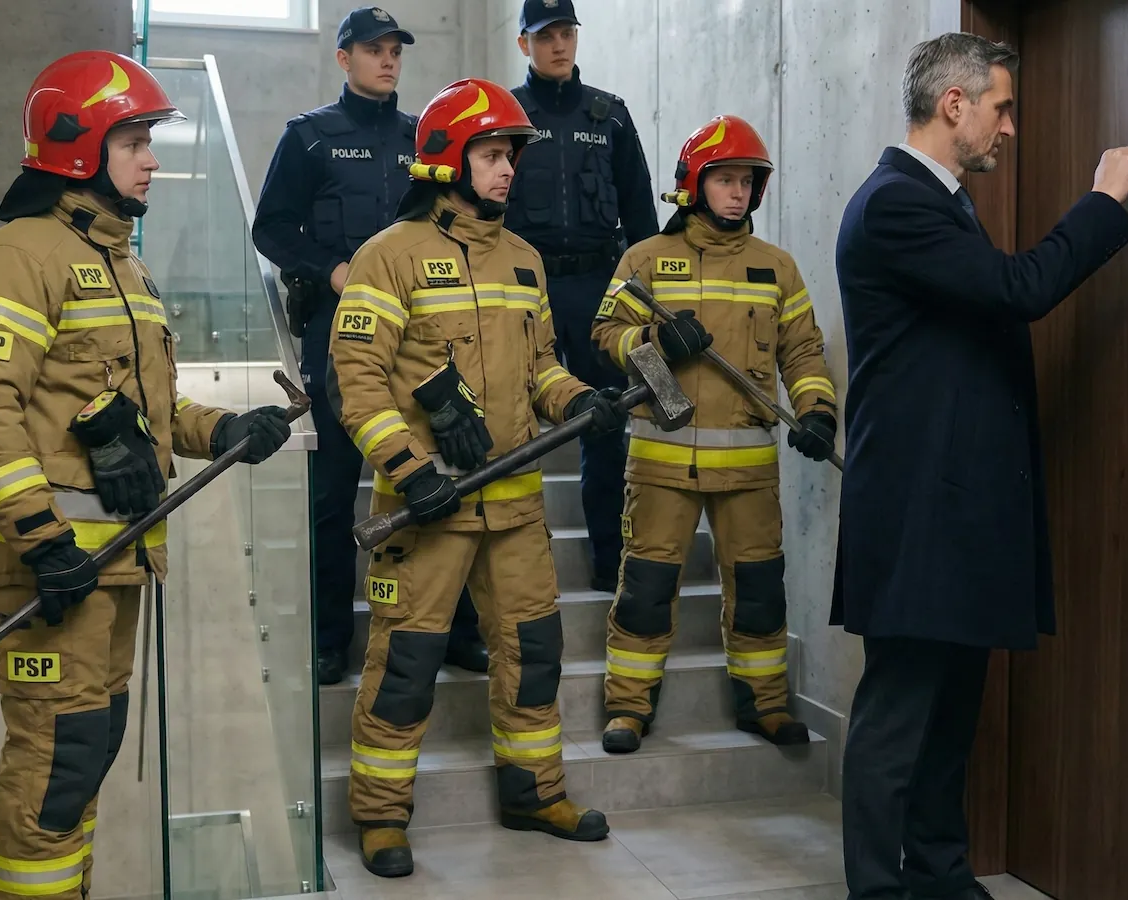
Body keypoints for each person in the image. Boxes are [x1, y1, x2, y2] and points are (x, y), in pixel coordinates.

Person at [0, 50, 293, 900]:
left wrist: (228, 428)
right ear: (78, 147)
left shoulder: (123, 265)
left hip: (118, 561)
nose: (151, 159)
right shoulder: (19, 255)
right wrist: (39, 538)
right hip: (57, 570)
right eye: (133, 139)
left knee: (90, 748)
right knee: (54, 767)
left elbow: (152, 409)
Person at [832, 33, 1128, 900]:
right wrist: (1104, 203)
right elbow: (1018, 291)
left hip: (953, 509)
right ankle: (876, 888)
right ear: (955, 104)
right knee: (900, 714)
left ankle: (938, 875)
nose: (1011, 127)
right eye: (1002, 108)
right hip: (916, 513)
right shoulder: (897, 202)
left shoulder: (938, 200)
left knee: (950, 714)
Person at [329, 76, 627, 877]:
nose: (508, 171)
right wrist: (407, 467)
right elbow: (357, 381)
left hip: (516, 507)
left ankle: (535, 792)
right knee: (406, 667)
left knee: (533, 653)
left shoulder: (523, 260)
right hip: (426, 508)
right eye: (493, 154)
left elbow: (541, 370)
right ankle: (382, 815)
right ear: (446, 161)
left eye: (511, 156)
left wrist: (582, 400)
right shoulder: (386, 257)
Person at [253, 6, 489, 686]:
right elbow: (272, 228)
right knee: (333, 492)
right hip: (339, 326)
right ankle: (330, 638)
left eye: (395, 51)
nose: (387, 61)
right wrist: (329, 268)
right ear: (343, 59)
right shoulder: (310, 138)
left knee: (445, 466)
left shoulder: (424, 138)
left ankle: (455, 628)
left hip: (423, 330)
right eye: (373, 50)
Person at [592, 116, 837, 752]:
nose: (736, 192)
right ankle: (628, 708)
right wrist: (655, 342)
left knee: (758, 592)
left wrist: (816, 413)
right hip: (661, 462)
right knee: (645, 590)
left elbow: (804, 353)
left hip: (749, 468)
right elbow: (605, 338)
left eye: (747, 182)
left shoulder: (776, 268)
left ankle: (765, 705)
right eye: (724, 179)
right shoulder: (644, 260)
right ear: (693, 186)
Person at [504, 0, 658, 593]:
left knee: (604, 421)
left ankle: (606, 562)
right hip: (526, 290)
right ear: (525, 44)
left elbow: (642, 217)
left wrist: (644, 293)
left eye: (566, 32)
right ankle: (520, 566)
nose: (558, 44)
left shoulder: (610, 116)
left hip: (598, 288)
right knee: (514, 421)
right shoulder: (508, 116)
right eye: (545, 36)